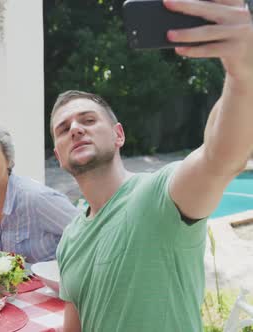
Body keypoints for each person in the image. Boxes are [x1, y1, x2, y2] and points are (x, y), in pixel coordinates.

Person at [51, 1, 253, 330]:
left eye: (88, 119)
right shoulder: (70, 239)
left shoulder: (160, 196)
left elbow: (221, 156)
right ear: (58, 156)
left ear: (119, 135)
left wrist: (243, 75)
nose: (75, 128)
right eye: (63, 128)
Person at [0, 124, 78, 264]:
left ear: (8, 160)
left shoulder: (36, 198)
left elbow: (89, 234)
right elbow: (13, 261)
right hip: (17, 286)